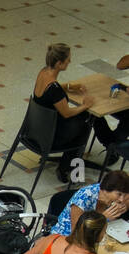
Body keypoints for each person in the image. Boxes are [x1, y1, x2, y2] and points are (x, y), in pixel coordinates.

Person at [32, 43, 93, 183]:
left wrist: (69, 86)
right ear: (59, 63)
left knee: (84, 117)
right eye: (68, 60)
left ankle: (71, 163)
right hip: (50, 136)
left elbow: (53, 90)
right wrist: (85, 105)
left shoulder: (43, 72)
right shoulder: (54, 89)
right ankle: (66, 168)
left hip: (37, 128)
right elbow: (67, 113)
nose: (70, 62)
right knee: (87, 122)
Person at [50, 170, 129, 237]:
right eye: (119, 194)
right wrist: (102, 218)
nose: (122, 199)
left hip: (96, 235)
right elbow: (76, 231)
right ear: (106, 190)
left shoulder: (112, 197)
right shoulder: (84, 197)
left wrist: (125, 206)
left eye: (124, 195)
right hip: (66, 236)